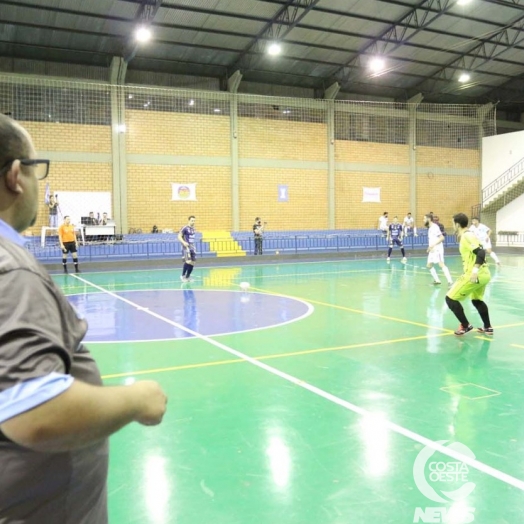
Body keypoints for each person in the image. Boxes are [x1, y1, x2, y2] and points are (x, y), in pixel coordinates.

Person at [0, 114, 167, 523]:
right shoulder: (12, 270)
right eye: (39, 169)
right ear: (16, 176)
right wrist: (136, 399)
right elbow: (35, 413)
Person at [446, 213, 493, 336]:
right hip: (485, 274)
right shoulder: (468, 235)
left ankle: (466, 325)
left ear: (457, 224)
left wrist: (474, 271)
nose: (452, 225)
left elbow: (481, 252)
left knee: (450, 298)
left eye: (453, 223)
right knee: (476, 300)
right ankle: (488, 327)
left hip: (475, 274)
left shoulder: (467, 236)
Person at [424, 212, 453, 286]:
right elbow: (433, 239)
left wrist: (433, 245)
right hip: (432, 249)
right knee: (429, 265)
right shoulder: (430, 228)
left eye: (424, 219)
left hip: (437, 249)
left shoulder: (434, 227)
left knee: (441, 264)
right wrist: (429, 247)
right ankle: (437, 280)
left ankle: (450, 282)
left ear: (429, 219)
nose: (423, 220)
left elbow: (442, 238)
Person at [178, 215, 196, 282]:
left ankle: (188, 277)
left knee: (193, 263)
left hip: (192, 247)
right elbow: (179, 236)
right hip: (186, 247)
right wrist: (184, 242)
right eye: (192, 220)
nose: (193, 222)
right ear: (189, 220)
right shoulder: (185, 228)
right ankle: (182, 276)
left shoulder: (193, 229)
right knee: (188, 261)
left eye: (194, 221)